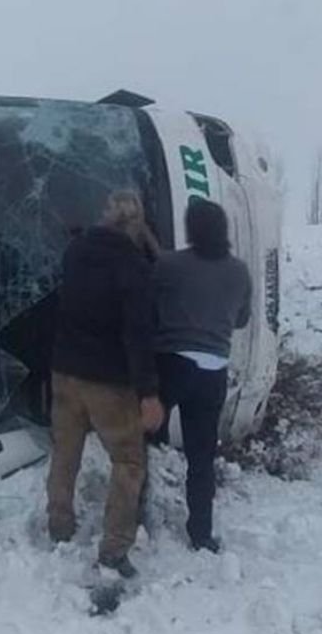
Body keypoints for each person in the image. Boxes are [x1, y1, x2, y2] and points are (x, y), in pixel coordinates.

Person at [46, 190, 165, 579]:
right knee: (128, 462)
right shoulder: (133, 268)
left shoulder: (75, 252)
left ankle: (59, 527)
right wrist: (148, 394)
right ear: (136, 226)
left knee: (65, 454)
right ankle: (114, 550)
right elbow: (138, 335)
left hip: (64, 373)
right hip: (109, 384)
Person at [150, 199, 252, 554]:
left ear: (191, 229)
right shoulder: (239, 271)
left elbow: (148, 295)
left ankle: (137, 517)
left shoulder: (171, 264)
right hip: (213, 372)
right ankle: (201, 534)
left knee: (144, 441)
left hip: (172, 365)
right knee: (201, 457)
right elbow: (241, 319)